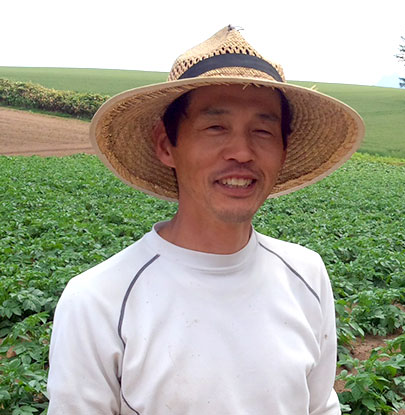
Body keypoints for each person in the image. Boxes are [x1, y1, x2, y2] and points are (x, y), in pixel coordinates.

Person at [47, 25, 365, 414]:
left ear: (283, 151)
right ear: (166, 145)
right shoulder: (98, 301)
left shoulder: (306, 275)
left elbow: (319, 407)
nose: (242, 152)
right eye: (216, 127)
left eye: (263, 131)